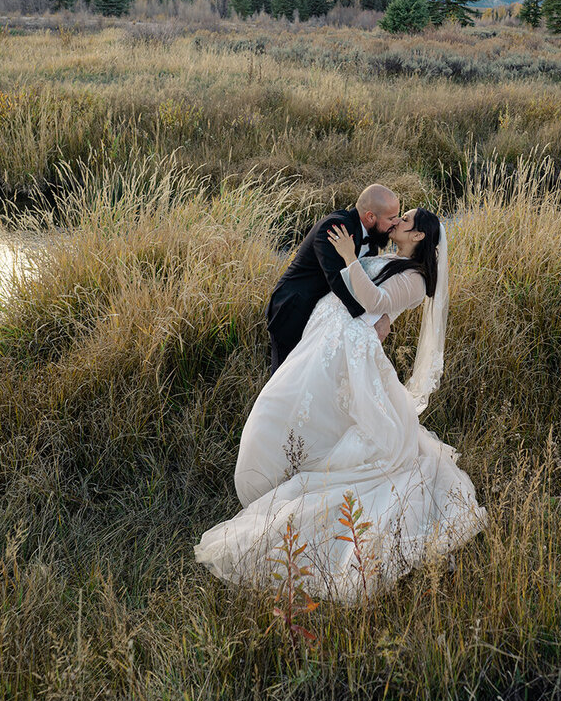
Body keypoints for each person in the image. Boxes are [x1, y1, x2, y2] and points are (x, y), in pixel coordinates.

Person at [195, 208, 487, 602]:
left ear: (418, 237)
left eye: (405, 221)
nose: (397, 223)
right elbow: (374, 302)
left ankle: (292, 479)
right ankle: (275, 472)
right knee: (294, 407)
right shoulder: (395, 258)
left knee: (294, 407)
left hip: (346, 351)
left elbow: (377, 297)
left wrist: (351, 258)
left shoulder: (417, 279)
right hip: (330, 341)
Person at [266, 184, 401, 372]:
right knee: (285, 377)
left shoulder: (371, 241)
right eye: (392, 218)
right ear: (370, 217)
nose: (397, 223)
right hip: (294, 310)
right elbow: (338, 280)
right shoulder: (336, 227)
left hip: (324, 317)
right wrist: (374, 318)